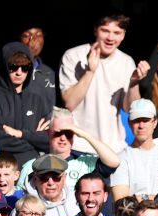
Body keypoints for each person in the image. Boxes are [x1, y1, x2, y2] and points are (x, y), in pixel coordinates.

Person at [58, 14, 139, 154]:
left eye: (117, 33)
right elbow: (69, 103)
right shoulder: (73, 56)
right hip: (78, 146)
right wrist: (90, 71)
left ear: (123, 35)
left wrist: (134, 83)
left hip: (113, 148)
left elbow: (130, 109)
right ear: (95, 30)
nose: (110, 38)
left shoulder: (127, 62)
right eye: (105, 31)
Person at [0, 41, 52, 166]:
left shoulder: (37, 100)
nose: (19, 72)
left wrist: (21, 134)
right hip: (1, 169)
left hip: (32, 169)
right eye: (13, 67)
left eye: (25, 67)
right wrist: (34, 140)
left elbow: (48, 140)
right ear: (5, 67)